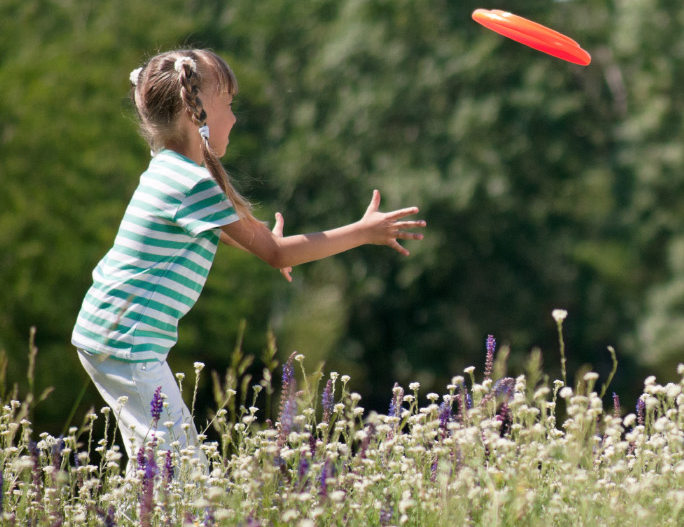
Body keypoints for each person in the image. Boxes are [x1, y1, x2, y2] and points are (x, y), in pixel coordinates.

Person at [72, 49, 426, 471]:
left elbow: (225, 231)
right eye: (229, 105)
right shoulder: (188, 182)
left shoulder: (170, 169)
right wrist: (363, 232)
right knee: (179, 470)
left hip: (113, 335)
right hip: (127, 343)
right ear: (195, 112)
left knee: (158, 463)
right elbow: (274, 252)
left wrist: (266, 245)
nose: (236, 118)